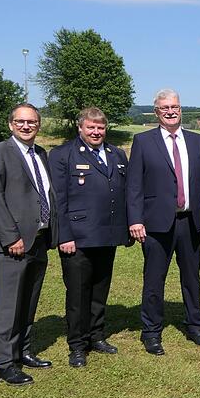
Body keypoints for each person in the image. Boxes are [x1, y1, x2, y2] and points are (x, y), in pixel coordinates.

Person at [127, 89, 200, 355]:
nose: (170, 111)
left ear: (180, 109)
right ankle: (151, 331)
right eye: (164, 107)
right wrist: (135, 219)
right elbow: (133, 185)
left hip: (190, 221)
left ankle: (194, 326)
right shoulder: (143, 141)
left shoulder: (198, 142)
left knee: (192, 278)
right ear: (156, 112)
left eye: (174, 106)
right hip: (155, 224)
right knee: (154, 280)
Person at [0, 103, 58, 386]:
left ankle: (23, 352)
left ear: (38, 125)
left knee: (28, 300)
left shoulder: (40, 153)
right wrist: (11, 236)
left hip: (39, 240)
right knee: (8, 305)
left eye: (32, 122)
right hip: (13, 242)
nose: (27, 126)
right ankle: (5, 364)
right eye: (21, 122)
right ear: (11, 124)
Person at [48, 107, 130, 367]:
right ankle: (77, 344)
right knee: (78, 293)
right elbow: (58, 200)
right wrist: (64, 235)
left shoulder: (117, 154)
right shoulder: (63, 154)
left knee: (99, 289)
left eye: (100, 127)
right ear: (80, 128)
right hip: (78, 237)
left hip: (107, 234)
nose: (96, 132)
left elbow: (124, 192)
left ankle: (96, 335)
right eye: (91, 127)